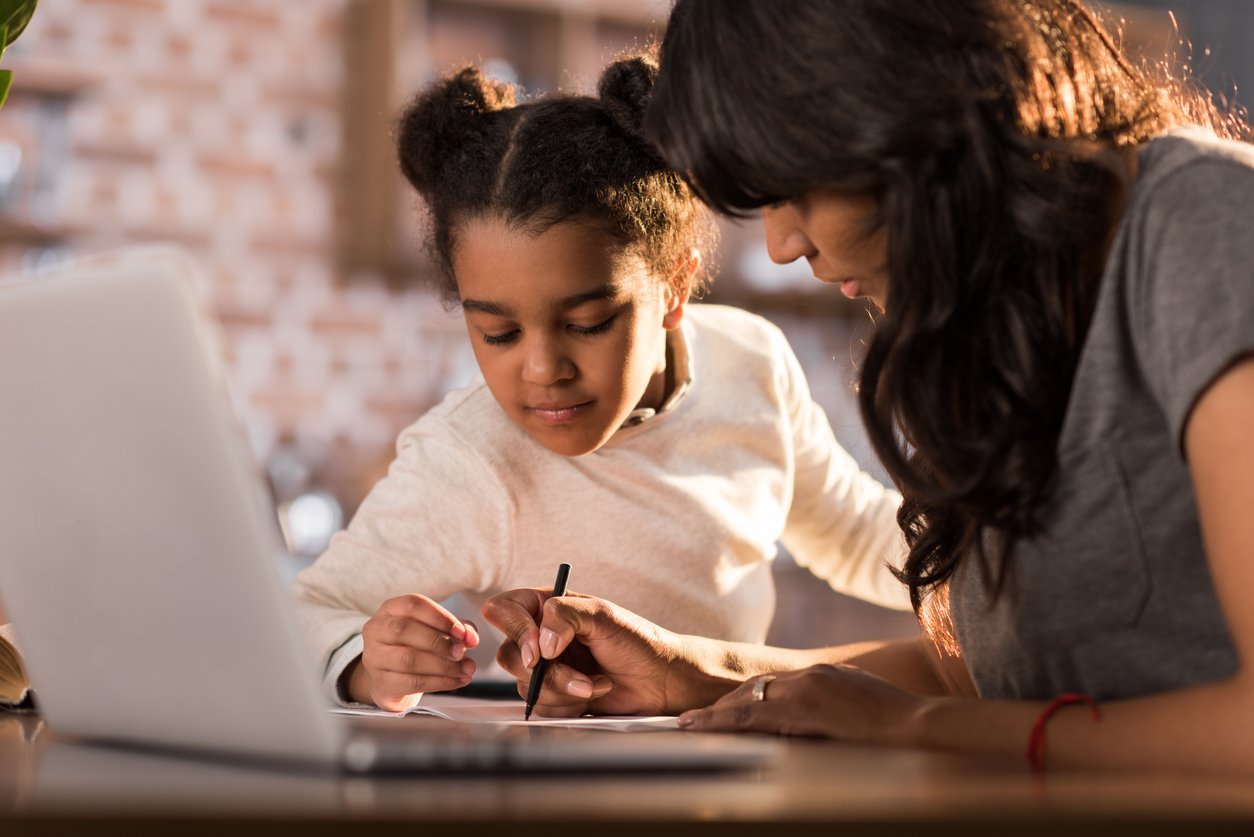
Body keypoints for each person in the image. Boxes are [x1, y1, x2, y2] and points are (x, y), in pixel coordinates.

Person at [482, 0, 1254, 774]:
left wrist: (918, 727)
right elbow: (988, 677)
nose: (784, 244)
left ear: (900, 108)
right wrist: (696, 673)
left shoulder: (1203, 222)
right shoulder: (1002, 310)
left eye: (793, 189)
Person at [290, 53, 912, 713]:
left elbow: (856, 534)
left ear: (674, 285)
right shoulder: (468, 460)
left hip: (734, 771)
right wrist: (364, 660)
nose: (542, 370)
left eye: (588, 322)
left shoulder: (749, 360)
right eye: (498, 335)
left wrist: (995, 566)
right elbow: (302, 612)